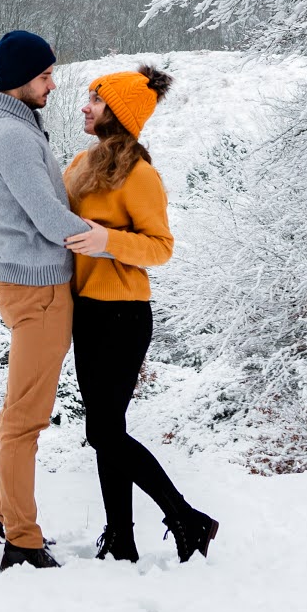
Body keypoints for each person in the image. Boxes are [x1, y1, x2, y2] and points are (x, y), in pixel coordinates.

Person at [64, 65, 220, 564]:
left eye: (95, 100)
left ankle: (187, 519)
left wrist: (106, 241)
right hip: (86, 312)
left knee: (102, 432)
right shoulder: (79, 165)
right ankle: (122, 539)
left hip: (124, 315)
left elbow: (161, 248)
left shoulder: (140, 174)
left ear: (119, 113)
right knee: (106, 429)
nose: (85, 106)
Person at [0, 29, 96, 573]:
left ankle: (11, 516)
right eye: (45, 76)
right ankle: (22, 541)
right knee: (26, 419)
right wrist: (110, 244)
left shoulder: (13, 129)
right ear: (20, 80)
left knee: (19, 413)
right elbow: (48, 219)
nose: (53, 84)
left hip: (30, 284)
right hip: (40, 290)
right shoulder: (13, 136)